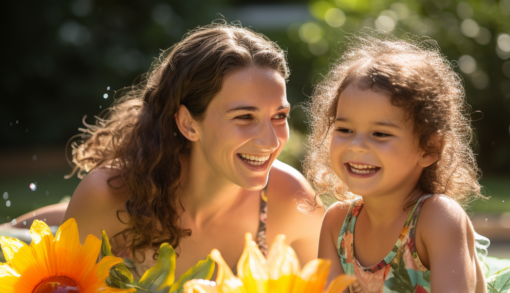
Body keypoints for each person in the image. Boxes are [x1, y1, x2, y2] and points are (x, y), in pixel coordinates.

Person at [11, 23, 323, 279]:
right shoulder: (110, 199)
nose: (271, 141)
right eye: (244, 117)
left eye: (279, 116)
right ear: (189, 124)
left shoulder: (291, 201)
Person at [305, 34, 489, 293]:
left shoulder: (436, 217)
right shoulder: (337, 224)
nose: (356, 145)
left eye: (380, 134)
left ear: (429, 148)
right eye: (345, 129)